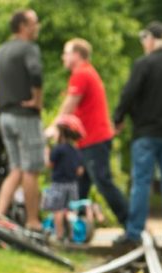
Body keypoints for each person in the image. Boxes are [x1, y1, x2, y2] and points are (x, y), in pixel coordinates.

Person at [115, 21, 162, 247]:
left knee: (141, 182)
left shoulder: (143, 64)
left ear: (151, 39)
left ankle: (134, 232)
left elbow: (129, 93)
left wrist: (118, 118)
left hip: (146, 132)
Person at [50, 38, 129, 228]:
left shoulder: (82, 74)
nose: (63, 57)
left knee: (102, 181)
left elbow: (69, 104)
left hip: (95, 138)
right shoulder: (86, 73)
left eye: (66, 53)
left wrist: (54, 126)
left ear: (77, 55)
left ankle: (130, 222)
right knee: (81, 186)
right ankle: (75, 225)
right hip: (89, 140)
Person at [0, 9, 46, 231]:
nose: (38, 26)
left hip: (5, 115)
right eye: (34, 22)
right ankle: (32, 221)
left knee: (16, 168)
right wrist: (37, 99)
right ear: (23, 26)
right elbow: (36, 72)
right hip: (25, 115)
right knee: (30, 169)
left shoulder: (1, 51)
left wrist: (4, 103)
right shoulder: (29, 49)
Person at [44, 114, 86, 242]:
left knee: (58, 210)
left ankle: (59, 235)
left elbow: (49, 164)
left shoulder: (58, 149)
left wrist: (46, 152)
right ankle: (73, 235)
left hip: (58, 184)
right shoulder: (76, 150)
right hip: (72, 185)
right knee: (70, 210)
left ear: (62, 132)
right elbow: (80, 171)